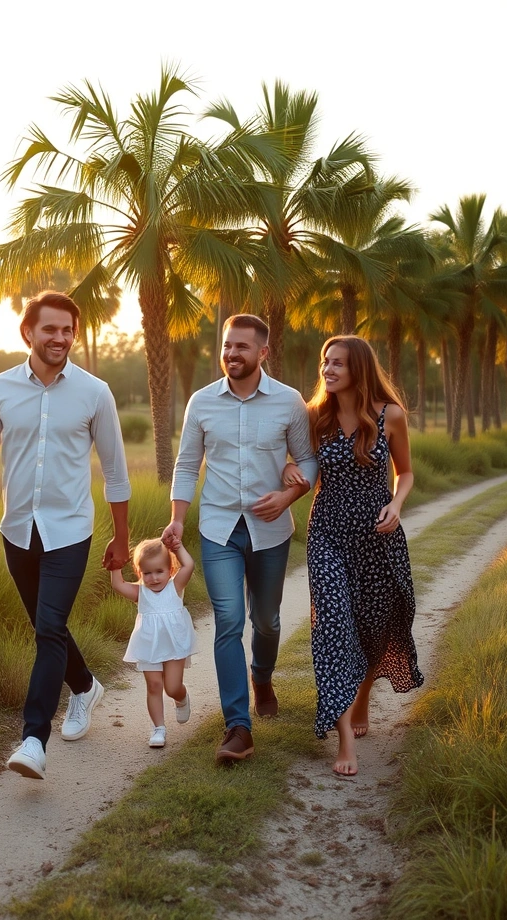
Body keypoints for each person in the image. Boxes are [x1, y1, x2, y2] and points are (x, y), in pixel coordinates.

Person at [0, 291, 131, 780]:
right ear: (28, 333)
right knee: (50, 627)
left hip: (70, 530)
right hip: (17, 529)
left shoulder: (94, 392)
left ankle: (33, 740)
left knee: (46, 628)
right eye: (50, 329)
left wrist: (121, 540)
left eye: (67, 331)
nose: (60, 338)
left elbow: (116, 473)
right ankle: (84, 687)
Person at [162, 314, 318, 763]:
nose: (232, 354)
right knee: (228, 620)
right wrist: (177, 519)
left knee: (266, 621)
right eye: (228, 346)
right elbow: (187, 464)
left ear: (262, 352)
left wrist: (289, 494)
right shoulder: (202, 402)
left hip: (270, 532)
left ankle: (262, 676)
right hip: (218, 529)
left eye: (242, 347)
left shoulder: (289, 402)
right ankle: (238, 726)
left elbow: (308, 460)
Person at [283, 335, 423, 777]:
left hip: (376, 537)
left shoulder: (390, 416)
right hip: (326, 534)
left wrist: (397, 505)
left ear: (358, 369)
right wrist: (290, 469)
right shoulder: (315, 417)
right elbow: (301, 464)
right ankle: (343, 738)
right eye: (325, 361)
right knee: (334, 624)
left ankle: (362, 698)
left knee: (372, 624)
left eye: (338, 363)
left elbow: (406, 472)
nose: (328, 369)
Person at [109, 537, 198, 748]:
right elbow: (118, 584)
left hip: (174, 643)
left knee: (172, 687)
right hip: (149, 644)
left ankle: (181, 697)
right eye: (147, 573)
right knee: (154, 685)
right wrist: (115, 565)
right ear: (139, 573)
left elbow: (189, 565)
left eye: (159, 571)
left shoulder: (175, 586)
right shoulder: (141, 592)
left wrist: (177, 548)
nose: (154, 578)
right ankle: (159, 728)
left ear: (170, 569)